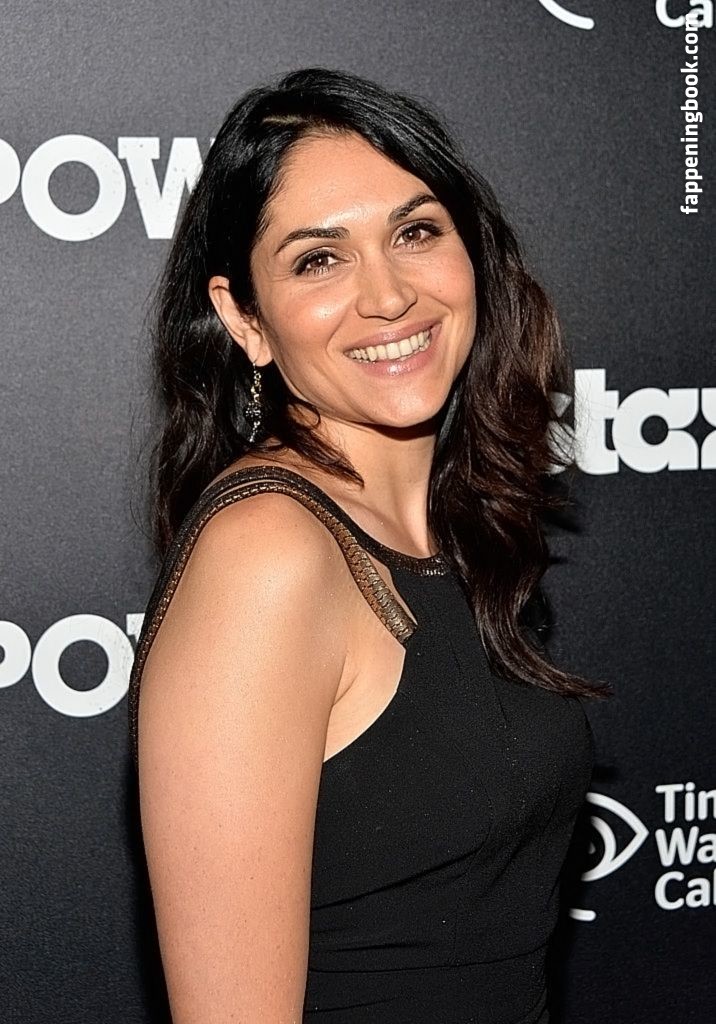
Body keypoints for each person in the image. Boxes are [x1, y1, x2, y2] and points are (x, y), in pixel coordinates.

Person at [127, 67, 609, 1024]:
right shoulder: (268, 552)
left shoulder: (449, 524)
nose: (388, 296)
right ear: (245, 320)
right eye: (319, 259)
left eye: (415, 232)